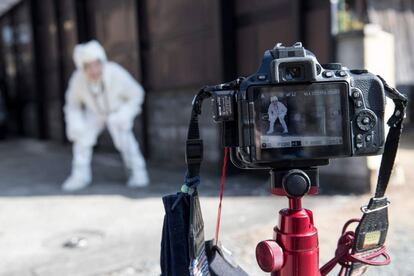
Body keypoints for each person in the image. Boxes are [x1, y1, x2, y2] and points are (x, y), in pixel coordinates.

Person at [62, 40, 149, 191]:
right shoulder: (78, 79)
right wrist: (75, 123)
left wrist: (125, 113)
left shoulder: (115, 72)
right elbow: (72, 104)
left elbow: (137, 94)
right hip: (94, 113)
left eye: (96, 64)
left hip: (116, 111)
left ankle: (138, 172)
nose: (94, 70)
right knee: (82, 139)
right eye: (88, 66)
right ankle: (80, 176)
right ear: (83, 68)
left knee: (125, 139)